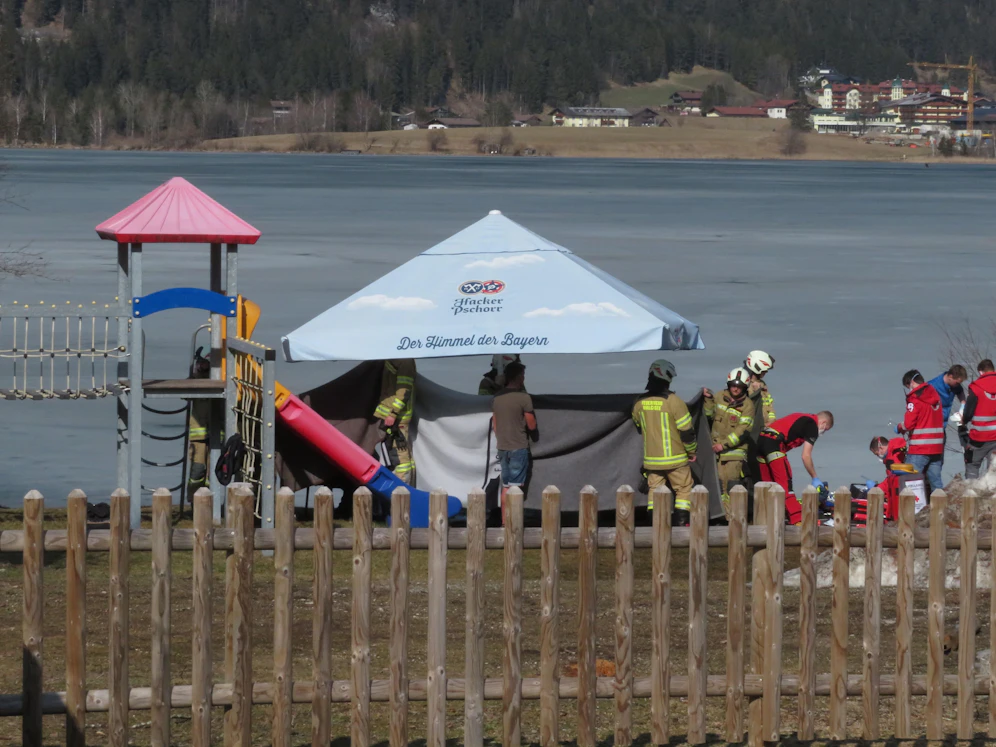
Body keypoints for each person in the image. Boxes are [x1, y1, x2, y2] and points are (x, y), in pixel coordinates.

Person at [632, 359, 698, 526]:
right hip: (676, 459)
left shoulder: (639, 402)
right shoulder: (674, 402)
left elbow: (638, 424)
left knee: (654, 492)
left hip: (652, 461)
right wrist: (691, 451)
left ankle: (656, 526)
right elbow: (687, 432)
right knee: (683, 490)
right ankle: (682, 525)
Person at [756, 411, 835, 524]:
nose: (822, 432)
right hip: (774, 444)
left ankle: (767, 520)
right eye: (825, 429)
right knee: (785, 486)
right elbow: (805, 456)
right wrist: (815, 477)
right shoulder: (812, 425)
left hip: (761, 441)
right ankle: (799, 521)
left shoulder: (801, 416)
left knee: (768, 487)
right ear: (823, 422)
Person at [704, 367, 755, 519]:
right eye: (733, 385)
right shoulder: (719, 396)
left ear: (744, 387)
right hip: (716, 453)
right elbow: (708, 416)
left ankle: (732, 518)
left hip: (734, 455)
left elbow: (742, 431)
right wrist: (707, 399)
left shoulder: (748, 406)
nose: (735, 388)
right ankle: (719, 516)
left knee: (731, 487)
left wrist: (723, 445)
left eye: (739, 386)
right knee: (718, 486)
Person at [491, 361, 536, 517]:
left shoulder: (497, 397)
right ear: (518, 377)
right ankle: (514, 522)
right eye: (523, 375)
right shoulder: (524, 397)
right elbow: (531, 425)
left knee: (506, 486)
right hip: (518, 446)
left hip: (502, 446)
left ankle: (504, 521)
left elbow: (494, 423)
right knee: (516, 488)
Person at [898, 369, 944, 495]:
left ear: (912, 382)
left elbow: (908, 424)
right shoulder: (936, 396)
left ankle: (911, 512)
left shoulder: (915, 399)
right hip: (937, 447)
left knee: (909, 483)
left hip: (920, 448)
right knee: (937, 484)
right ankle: (940, 511)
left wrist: (899, 427)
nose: (909, 389)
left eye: (908, 386)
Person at [374, 359, 417, 485]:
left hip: (397, 419)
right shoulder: (393, 357)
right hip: (391, 417)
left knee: (401, 457)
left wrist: (393, 413)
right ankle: (405, 486)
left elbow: (404, 390)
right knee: (398, 454)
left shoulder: (405, 361)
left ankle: (403, 488)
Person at [960, 359, 996, 479]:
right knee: (993, 470)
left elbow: (968, 412)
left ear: (980, 372)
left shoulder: (976, 388)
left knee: (972, 465)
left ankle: (971, 493)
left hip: (979, 438)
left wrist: (963, 420)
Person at [186, 347, 212, 503]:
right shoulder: (196, 380)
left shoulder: (226, 378)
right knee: (198, 470)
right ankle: (194, 502)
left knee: (215, 472)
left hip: (220, 435)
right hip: (199, 437)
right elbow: (185, 393)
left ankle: (210, 503)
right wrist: (199, 373)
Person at [868, 435, 910, 521]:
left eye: (877, 453)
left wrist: (878, 488)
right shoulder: (895, 453)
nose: (878, 456)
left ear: (881, 448)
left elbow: (893, 481)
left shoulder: (893, 459)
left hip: (898, 498)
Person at [744, 350, 776, 426]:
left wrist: (771, 421)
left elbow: (769, 406)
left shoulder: (763, 384)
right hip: (753, 428)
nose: (766, 372)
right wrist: (755, 392)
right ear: (758, 367)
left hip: (766, 427)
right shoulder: (744, 384)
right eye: (765, 369)